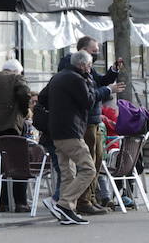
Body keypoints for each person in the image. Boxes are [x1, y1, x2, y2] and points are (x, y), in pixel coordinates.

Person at [57, 37, 122, 215]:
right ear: (83, 52)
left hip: (90, 121)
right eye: (94, 51)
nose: (96, 55)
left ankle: (83, 200)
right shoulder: (74, 72)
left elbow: (99, 82)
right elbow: (89, 96)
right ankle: (74, 202)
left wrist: (113, 71)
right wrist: (109, 90)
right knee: (86, 165)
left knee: (93, 162)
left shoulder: (85, 70)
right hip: (80, 124)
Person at [41, 50, 97, 225]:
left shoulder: (57, 77)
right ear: (82, 65)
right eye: (89, 65)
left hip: (56, 131)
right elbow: (88, 101)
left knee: (68, 173)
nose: (90, 68)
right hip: (71, 131)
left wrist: (60, 106)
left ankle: (67, 213)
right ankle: (64, 204)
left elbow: (42, 98)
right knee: (88, 169)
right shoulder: (77, 79)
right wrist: (99, 87)